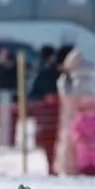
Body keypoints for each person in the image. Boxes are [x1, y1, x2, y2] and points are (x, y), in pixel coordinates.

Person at [29, 45, 63, 175]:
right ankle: (52, 166)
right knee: (50, 142)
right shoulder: (45, 72)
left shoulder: (42, 72)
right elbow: (33, 94)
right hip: (49, 115)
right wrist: (45, 97)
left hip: (49, 116)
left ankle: (53, 166)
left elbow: (32, 94)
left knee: (50, 142)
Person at [70, 98, 95, 177]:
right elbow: (74, 130)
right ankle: (84, 171)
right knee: (83, 161)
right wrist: (80, 138)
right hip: (83, 146)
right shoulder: (80, 118)